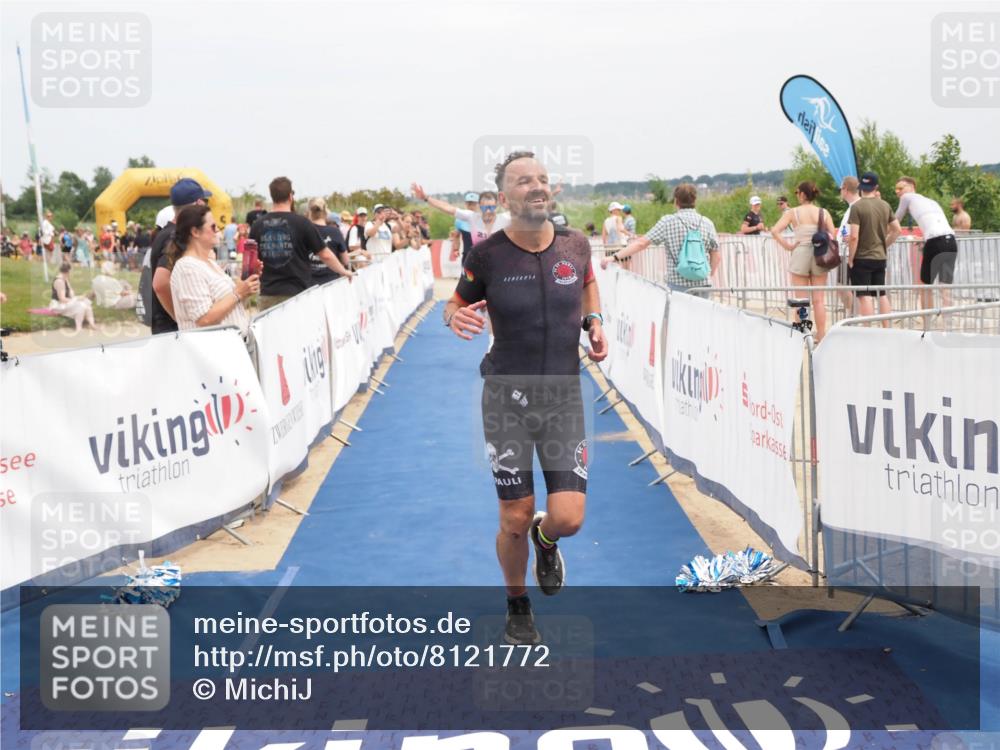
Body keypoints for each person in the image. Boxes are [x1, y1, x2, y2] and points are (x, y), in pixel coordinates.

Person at [442, 151, 607, 646]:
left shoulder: (575, 245)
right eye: (522, 181)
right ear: (503, 196)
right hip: (506, 400)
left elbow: (589, 284)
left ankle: (546, 538)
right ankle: (517, 602)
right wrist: (454, 317)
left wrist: (594, 321)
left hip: (563, 398)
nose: (536, 186)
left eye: (542, 179)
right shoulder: (486, 256)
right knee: (514, 517)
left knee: (569, 518)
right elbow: (454, 302)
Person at [249, 176, 346, 310]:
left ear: (272, 196)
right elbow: (325, 254)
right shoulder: (302, 223)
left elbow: (251, 261)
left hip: (268, 293)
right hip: (298, 294)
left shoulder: (257, 225)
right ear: (290, 196)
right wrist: (344, 271)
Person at [602, 183, 720, 292]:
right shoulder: (707, 223)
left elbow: (641, 243)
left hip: (678, 285)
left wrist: (614, 257)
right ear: (695, 200)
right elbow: (716, 255)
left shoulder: (667, 222)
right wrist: (709, 275)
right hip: (703, 284)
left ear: (676, 201)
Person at [167, 205, 259, 336]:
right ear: (195, 232)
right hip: (211, 347)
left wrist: (246, 285)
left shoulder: (209, 263)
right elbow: (204, 319)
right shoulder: (187, 268)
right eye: (213, 226)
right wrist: (238, 293)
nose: (217, 231)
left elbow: (230, 306)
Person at [769, 182, 837, 342]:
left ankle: (802, 336)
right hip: (819, 254)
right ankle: (821, 336)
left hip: (800, 253)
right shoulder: (823, 212)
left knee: (800, 300)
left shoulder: (793, 212)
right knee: (819, 300)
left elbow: (775, 231)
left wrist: (788, 246)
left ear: (802, 194)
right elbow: (833, 233)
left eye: (797, 192)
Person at [150, 177, 213, 335]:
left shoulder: (166, 232)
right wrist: (179, 317)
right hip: (172, 329)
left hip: (166, 326)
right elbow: (160, 283)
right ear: (198, 203)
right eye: (205, 202)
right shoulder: (175, 236)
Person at [894, 176, 958, 309]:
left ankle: (927, 320)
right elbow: (935, 223)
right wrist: (923, 238)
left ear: (912, 187)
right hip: (951, 240)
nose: (898, 192)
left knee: (925, 286)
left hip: (935, 241)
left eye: (900, 188)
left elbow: (895, 221)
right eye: (896, 189)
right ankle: (948, 319)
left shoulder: (907, 197)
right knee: (945, 285)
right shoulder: (931, 201)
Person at [848, 172, 902, 325]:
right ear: (876, 187)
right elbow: (897, 230)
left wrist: (851, 258)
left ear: (860, 187)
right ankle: (886, 328)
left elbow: (854, 237)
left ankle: (869, 330)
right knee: (881, 294)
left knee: (864, 296)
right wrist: (884, 245)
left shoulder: (857, 207)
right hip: (879, 257)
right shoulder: (885, 205)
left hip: (862, 257)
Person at [411, 185, 511, 251]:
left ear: (496, 206)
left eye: (491, 207)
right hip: (478, 264)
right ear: (480, 206)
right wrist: (426, 198)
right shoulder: (472, 217)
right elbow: (448, 208)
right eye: (485, 207)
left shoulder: (505, 218)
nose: (488, 211)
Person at [307, 197, 354, 284]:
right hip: (331, 282)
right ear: (325, 212)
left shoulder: (304, 231)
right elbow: (345, 260)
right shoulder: (335, 232)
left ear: (309, 212)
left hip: (309, 285)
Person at [835, 176, 862, 317]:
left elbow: (861, 230)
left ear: (845, 189)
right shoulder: (853, 207)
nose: (840, 192)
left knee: (844, 287)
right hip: (845, 252)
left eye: (841, 189)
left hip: (849, 253)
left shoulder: (857, 206)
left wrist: (851, 238)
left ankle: (852, 315)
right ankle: (852, 314)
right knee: (843, 287)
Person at [50, 262, 95, 332]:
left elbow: (71, 295)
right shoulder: (59, 281)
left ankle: (92, 324)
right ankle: (78, 327)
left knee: (86, 303)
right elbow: (62, 299)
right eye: (71, 271)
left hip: (65, 303)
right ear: (68, 271)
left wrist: (81, 297)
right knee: (81, 306)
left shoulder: (65, 279)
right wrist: (77, 299)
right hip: (58, 306)